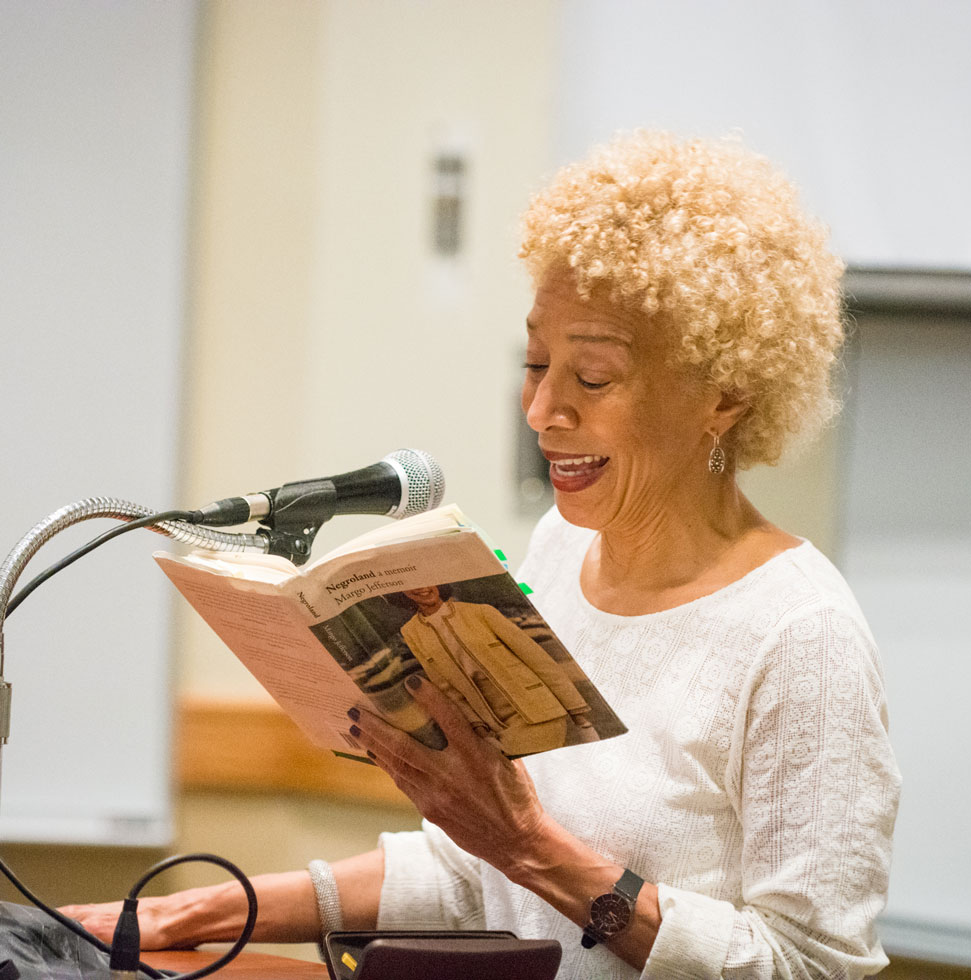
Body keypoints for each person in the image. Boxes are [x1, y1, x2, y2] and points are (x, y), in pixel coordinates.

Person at [62, 130, 901, 978]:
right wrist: (199, 910)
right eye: (536, 363)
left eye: (593, 378)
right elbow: (478, 876)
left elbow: (811, 966)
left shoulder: (801, 635)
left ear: (725, 394)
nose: (541, 409)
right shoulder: (561, 547)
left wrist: (532, 847)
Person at [398, 585, 594, 755]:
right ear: (401, 594)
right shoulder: (411, 631)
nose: (421, 588)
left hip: (537, 710)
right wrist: (478, 726)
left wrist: (577, 713)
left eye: (426, 581)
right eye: (410, 586)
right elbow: (445, 685)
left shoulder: (481, 612)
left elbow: (537, 659)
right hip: (494, 725)